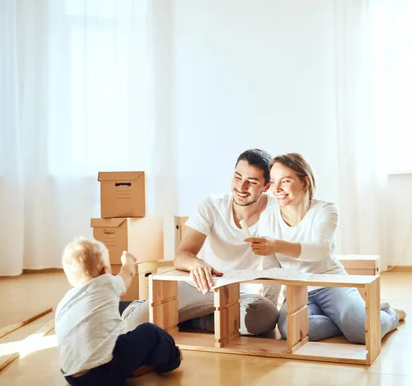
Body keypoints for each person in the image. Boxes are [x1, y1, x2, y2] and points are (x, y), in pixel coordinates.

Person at [245, 153, 406, 344]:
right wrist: (271, 306)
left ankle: (388, 314)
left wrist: (276, 245)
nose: (277, 189)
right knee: (290, 331)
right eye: (273, 182)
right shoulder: (268, 218)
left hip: (332, 284)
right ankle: (349, 321)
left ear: (304, 182)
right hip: (298, 290)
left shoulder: (326, 210)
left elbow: (320, 249)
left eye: (286, 181)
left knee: (362, 333)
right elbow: (271, 267)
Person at [121, 149, 279, 335]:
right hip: (202, 287)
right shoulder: (212, 205)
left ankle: (191, 319)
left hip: (240, 294)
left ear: (266, 187)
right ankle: (144, 309)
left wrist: (271, 307)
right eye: (237, 177)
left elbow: (275, 267)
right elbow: (181, 255)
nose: (241, 187)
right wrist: (197, 264)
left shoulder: (275, 212)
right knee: (136, 322)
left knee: (264, 318)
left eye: (251, 182)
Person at [55, 237, 182, 386]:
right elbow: (127, 274)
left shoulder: (64, 303)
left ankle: (130, 368)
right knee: (149, 331)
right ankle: (172, 359)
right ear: (105, 270)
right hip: (102, 373)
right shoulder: (106, 283)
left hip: (71, 375)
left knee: (116, 337)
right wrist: (128, 260)